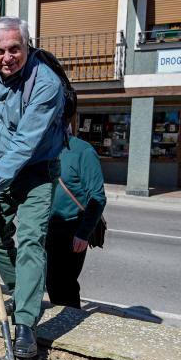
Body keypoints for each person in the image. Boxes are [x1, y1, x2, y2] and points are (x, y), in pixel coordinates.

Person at [0, 17, 66, 358]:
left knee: (32, 239)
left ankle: (25, 324)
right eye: (0, 51)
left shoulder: (46, 83)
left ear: (27, 45)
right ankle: (23, 295)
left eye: (14, 49)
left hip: (36, 170)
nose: (7, 57)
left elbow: (24, 144)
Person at [46, 132, 106, 308]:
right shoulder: (44, 148)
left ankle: (69, 323)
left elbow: (97, 196)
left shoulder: (83, 151)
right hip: (47, 226)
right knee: (51, 283)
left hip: (72, 229)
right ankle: (59, 326)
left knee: (66, 285)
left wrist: (83, 233)